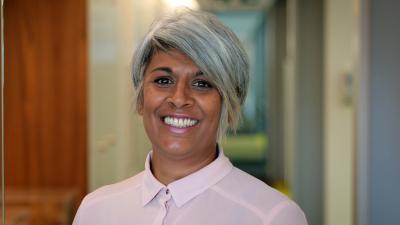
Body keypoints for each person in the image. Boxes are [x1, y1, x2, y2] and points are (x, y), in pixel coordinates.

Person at [73, 8, 308, 225]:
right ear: (141, 99)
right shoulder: (95, 211)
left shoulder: (273, 216)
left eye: (202, 83)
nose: (179, 98)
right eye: (163, 81)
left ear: (229, 105)